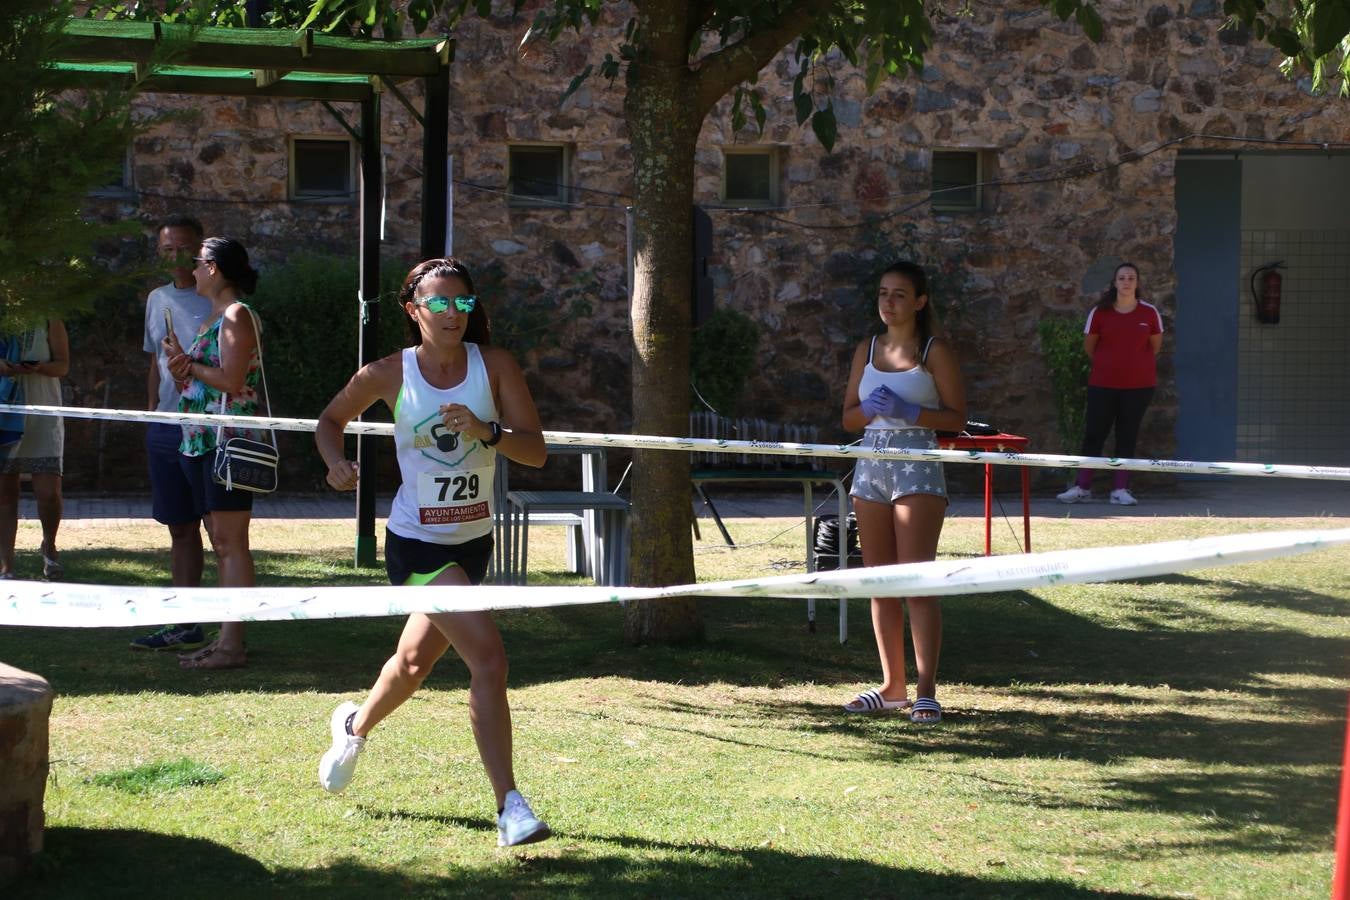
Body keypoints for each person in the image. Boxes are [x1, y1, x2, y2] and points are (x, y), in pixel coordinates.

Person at [313, 257, 552, 847]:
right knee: (489, 660)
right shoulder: (388, 373)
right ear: (412, 309)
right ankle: (511, 808)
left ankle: (353, 726)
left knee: (415, 664)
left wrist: (486, 430)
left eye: (462, 303)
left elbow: (537, 452)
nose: (452, 314)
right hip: (417, 545)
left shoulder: (493, 366)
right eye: (439, 303)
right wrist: (335, 463)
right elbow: (330, 420)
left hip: (474, 543)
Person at [840, 261, 966, 725]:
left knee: (917, 580)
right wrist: (868, 410)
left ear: (919, 301)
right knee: (879, 581)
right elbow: (848, 419)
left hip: (917, 463)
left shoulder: (934, 350)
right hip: (871, 463)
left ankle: (927, 690)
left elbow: (956, 418)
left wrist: (911, 410)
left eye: (898, 294)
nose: (888, 303)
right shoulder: (865, 349)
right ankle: (892, 686)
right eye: (882, 293)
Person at [163, 237, 263, 669]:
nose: (193, 269)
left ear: (216, 269)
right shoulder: (214, 317)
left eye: (198, 262)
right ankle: (225, 641)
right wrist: (181, 368)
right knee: (220, 542)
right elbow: (204, 382)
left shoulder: (237, 315)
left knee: (230, 543)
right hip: (203, 441)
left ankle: (232, 646)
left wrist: (191, 365)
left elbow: (230, 380)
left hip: (226, 442)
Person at [131, 216, 214, 651]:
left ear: (201, 250)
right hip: (165, 426)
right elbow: (155, 363)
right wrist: (151, 413)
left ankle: (233, 634)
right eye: (167, 249)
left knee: (221, 530)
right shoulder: (157, 299)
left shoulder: (219, 300)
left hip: (208, 425)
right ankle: (185, 624)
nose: (176, 257)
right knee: (179, 527)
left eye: (184, 248)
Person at [1056, 262, 1163, 507]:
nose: (1126, 282)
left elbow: (1155, 347)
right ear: (1114, 283)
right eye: (1122, 278)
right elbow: (1089, 346)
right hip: (1103, 384)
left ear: (1137, 283)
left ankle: (1120, 489)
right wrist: (1109, 366)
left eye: (1131, 278)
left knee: (1127, 436)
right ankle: (1082, 487)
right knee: (1094, 434)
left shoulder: (1149, 313)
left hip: (1139, 387)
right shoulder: (1100, 312)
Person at [0, 319, 69, 580]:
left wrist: (40, 367)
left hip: (43, 411)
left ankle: (49, 546)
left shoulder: (50, 317)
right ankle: (6, 565)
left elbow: (63, 365)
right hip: (5, 410)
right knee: (5, 493)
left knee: (48, 492)